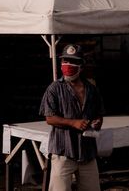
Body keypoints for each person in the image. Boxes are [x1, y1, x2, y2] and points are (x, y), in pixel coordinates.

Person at [39, 44, 105, 191]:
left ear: (81, 65)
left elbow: (98, 114)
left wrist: (98, 122)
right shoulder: (54, 88)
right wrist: (73, 122)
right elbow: (49, 118)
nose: (68, 65)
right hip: (63, 151)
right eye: (65, 61)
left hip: (87, 152)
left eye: (73, 61)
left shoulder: (92, 90)